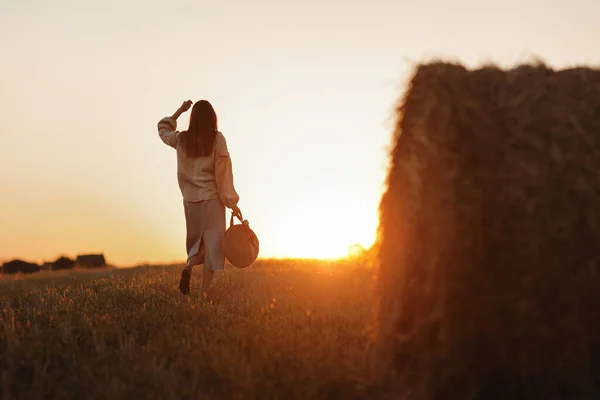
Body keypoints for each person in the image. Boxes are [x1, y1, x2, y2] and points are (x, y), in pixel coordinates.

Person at [157, 100, 242, 299]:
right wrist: (232, 202)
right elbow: (223, 172)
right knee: (212, 248)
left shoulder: (182, 139)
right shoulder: (217, 139)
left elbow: (162, 128)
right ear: (213, 118)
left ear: (192, 118)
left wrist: (179, 111)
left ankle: (188, 266)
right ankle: (202, 297)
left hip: (190, 200)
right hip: (212, 199)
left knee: (196, 244)